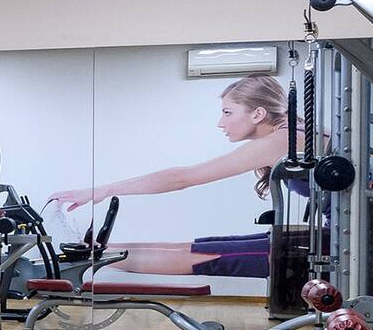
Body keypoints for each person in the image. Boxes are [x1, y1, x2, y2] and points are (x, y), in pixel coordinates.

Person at [44, 73, 287, 277]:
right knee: (194, 247)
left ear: (257, 114)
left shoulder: (282, 139)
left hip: (322, 244)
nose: (220, 123)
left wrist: (102, 190)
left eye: (227, 112)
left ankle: (83, 251)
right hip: (320, 237)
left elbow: (182, 178)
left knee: (203, 256)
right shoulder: (289, 133)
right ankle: (84, 248)